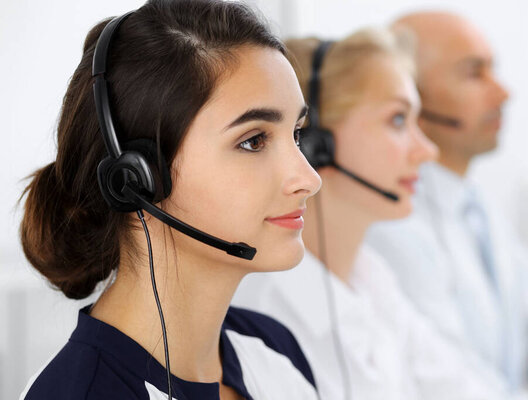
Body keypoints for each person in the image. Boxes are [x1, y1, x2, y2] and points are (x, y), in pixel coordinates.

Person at [18, 1, 323, 399]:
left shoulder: (273, 346)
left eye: (296, 134)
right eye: (253, 141)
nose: (309, 179)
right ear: (137, 179)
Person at [234, 27, 528, 400]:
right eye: (397, 120)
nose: (426, 151)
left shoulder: (373, 279)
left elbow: (464, 389)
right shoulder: (261, 314)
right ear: (314, 142)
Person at [366, 11, 528, 399]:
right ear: (409, 97)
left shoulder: (478, 206)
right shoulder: (391, 226)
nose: (503, 93)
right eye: (474, 73)